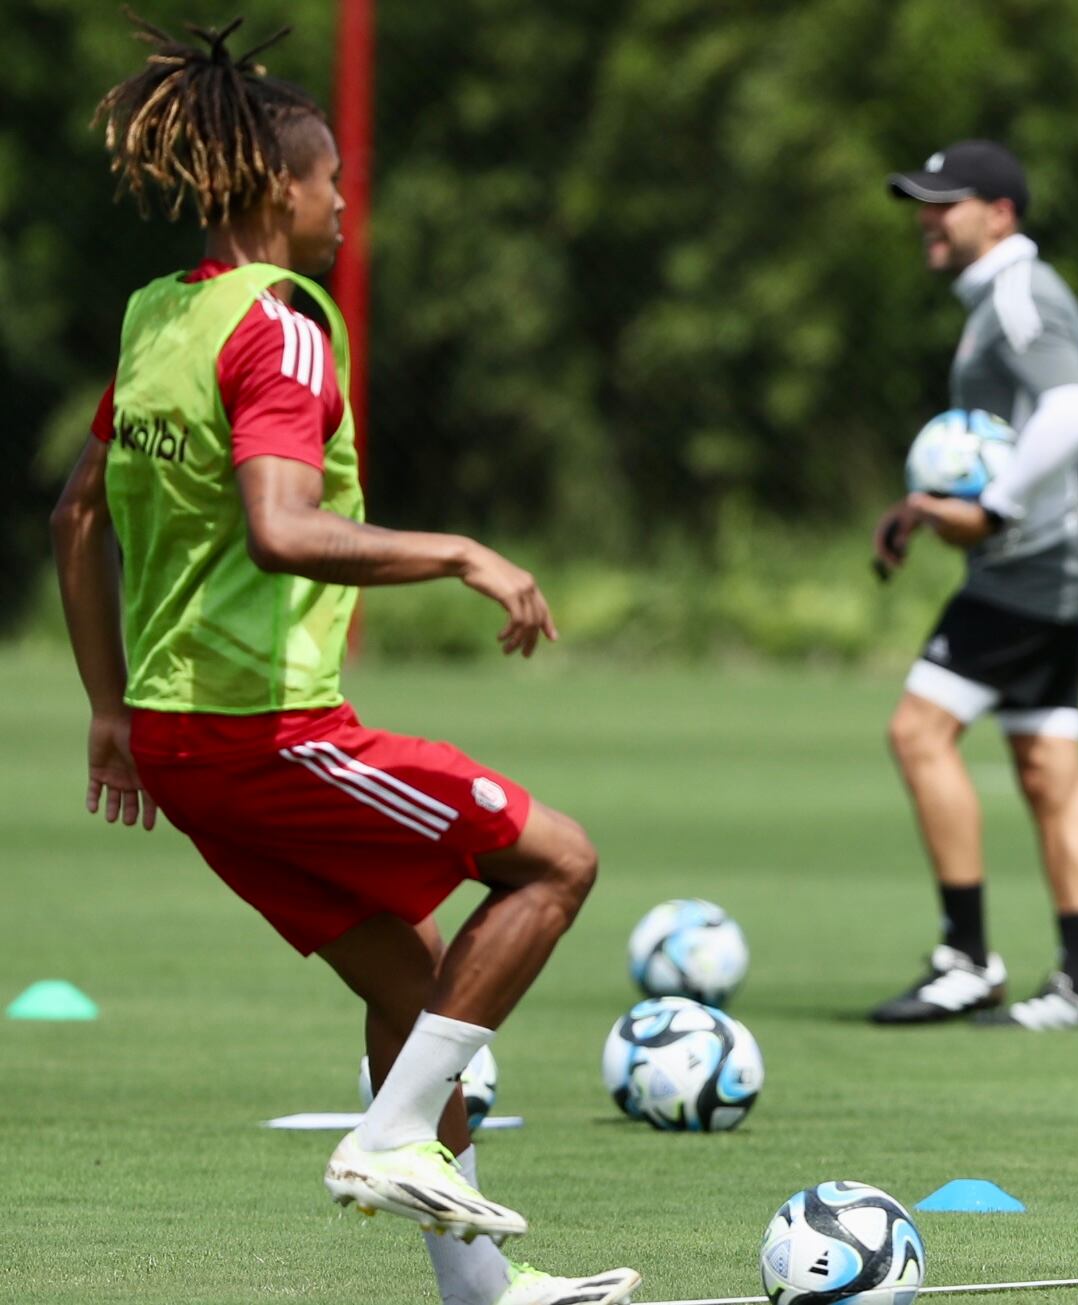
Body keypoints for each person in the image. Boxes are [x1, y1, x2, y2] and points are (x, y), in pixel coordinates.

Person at [52, 17, 638, 1302]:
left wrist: (108, 708)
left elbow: (77, 514)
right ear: (280, 189)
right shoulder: (284, 323)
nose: (341, 209)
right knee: (556, 861)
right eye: (332, 186)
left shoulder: (162, 317)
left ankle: (487, 1295)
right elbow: (283, 529)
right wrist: (462, 553)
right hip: (265, 728)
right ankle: (383, 1139)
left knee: (419, 987)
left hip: (177, 735)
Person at [867, 140, 1078, 1030]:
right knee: (1047, 763)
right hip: (1050, 561)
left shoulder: (1017, 294)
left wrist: (997, 512)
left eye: (947, 202)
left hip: (1029, 564)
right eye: (923, 203)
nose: (928, 219)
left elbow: (1071, 413)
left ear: (1000, 213)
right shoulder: (1000, 297)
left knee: (918, 730)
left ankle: (965, 959)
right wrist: (930, 507)